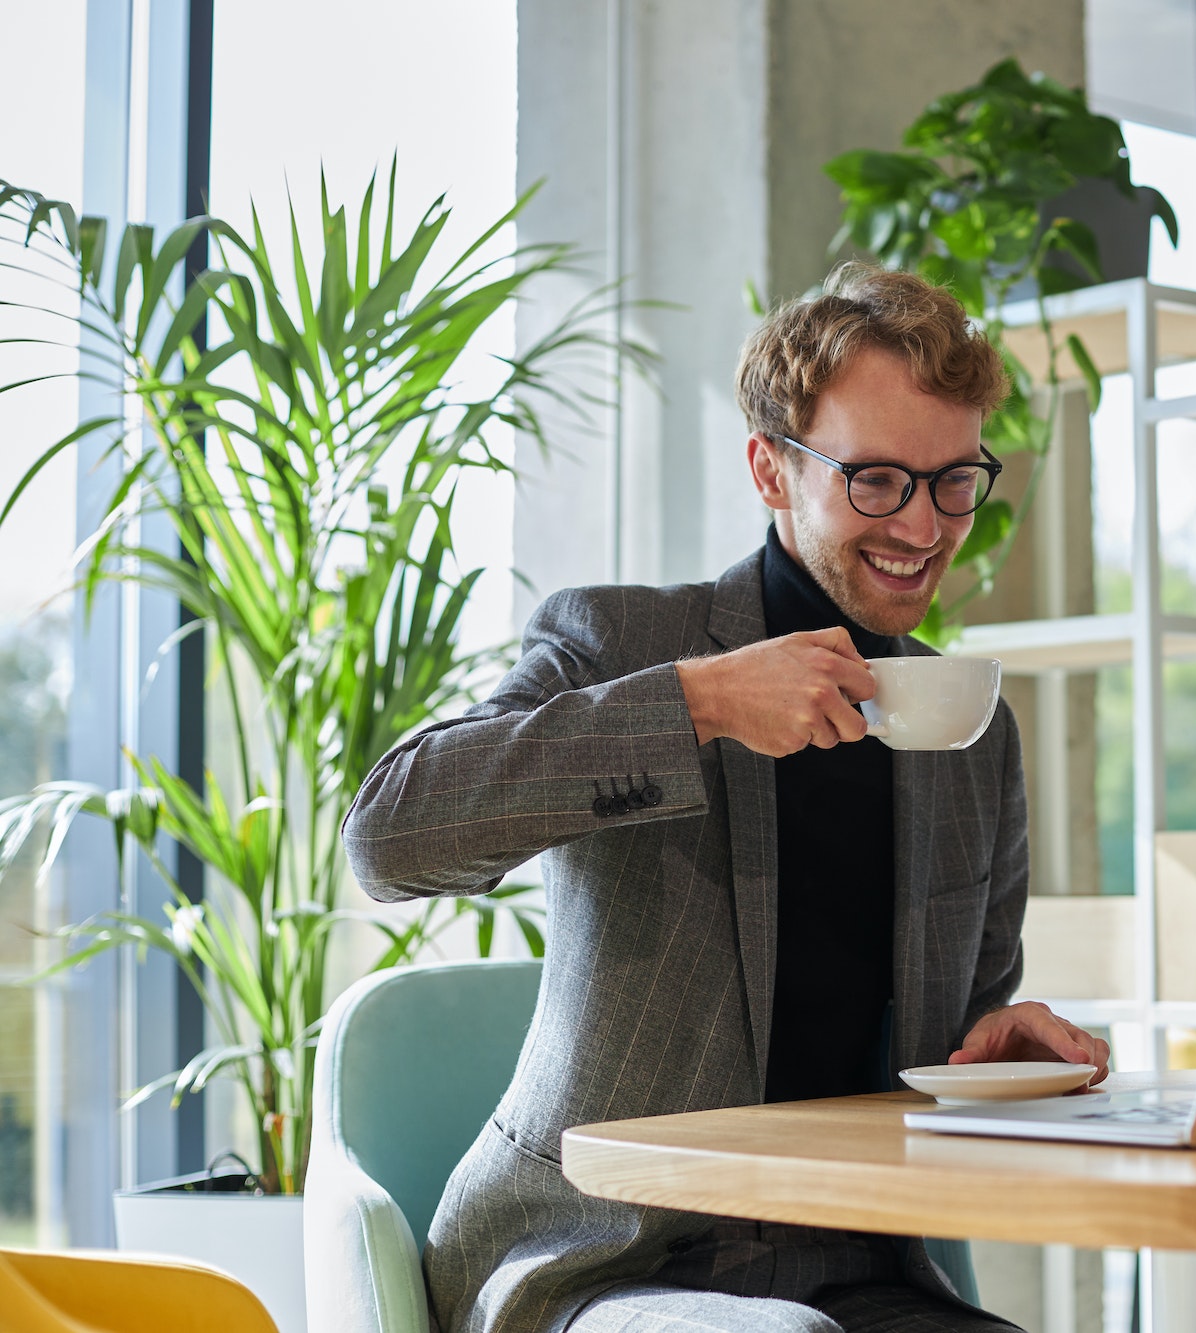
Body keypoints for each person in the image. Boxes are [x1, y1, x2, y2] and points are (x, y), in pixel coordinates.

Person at [341, 263, 1110, 1333]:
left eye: (951, 480)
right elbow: (387, 836)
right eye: (876, 479)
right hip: (592, 1263)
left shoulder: (967, 733)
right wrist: (693, 704)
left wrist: (1001, 1043)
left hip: (857, 1268)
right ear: (769, 468)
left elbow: (954, 1035)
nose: (924, 526)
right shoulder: (626, 643)